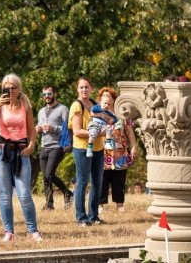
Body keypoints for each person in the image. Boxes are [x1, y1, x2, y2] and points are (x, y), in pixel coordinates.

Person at [0, 73, 41, 242]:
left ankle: (33, 230)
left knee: (24, 193)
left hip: (21, 151)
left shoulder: (25, 105)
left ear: (19, 89)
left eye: (13, 88)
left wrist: (31, 146)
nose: (9, 90)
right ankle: (8, 231)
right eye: (6, 88)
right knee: (4, 194)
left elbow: (32, 129)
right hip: (2, 151)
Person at [70, 77, 105, 227]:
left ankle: (93, 216)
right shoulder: (76, 106)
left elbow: (103, 122)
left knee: (97, 182)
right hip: (82, 148)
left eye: (87, 87)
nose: (84, 90)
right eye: (81, 87)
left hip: (98, 148)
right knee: (82, 182)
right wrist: (98, 133)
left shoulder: (95, 105)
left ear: (91, 88)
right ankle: (81, 217)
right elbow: (77, 131)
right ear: (77, 89)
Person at [98, 87, 138, 213]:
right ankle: (100, 205)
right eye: (104, 96)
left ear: (114, 99)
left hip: (120, 154)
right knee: (102, 180)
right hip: (102, 153)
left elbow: (130, 133)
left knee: (119, 180)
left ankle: (120, 205)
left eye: (109, 96)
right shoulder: (97, 115)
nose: (106, 98)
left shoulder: (121, 115)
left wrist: (134, 147)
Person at [35, 85, 72, 210]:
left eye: (49, 94)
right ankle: (49, 204)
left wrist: (54, 128)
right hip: (44, 146)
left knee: (49, 174)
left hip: (57, 146)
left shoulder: (63, 109)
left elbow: (68, 128)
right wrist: (38, 129)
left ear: (54, 94)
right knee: (46, 178)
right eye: (44, 94)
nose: (46, 97)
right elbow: (40, 126)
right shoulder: (41, 111)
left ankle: (68, 193)